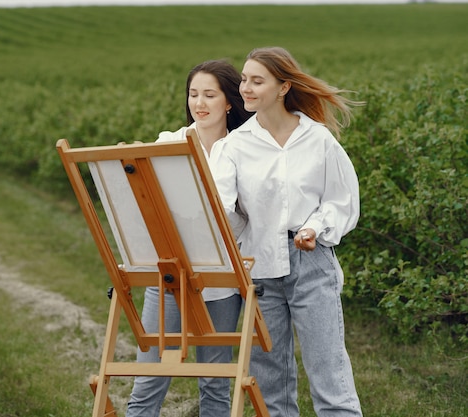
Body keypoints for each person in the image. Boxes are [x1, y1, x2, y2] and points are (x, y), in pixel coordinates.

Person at [211, 46, 364, 417]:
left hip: (311, 264)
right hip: (259, 268)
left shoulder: (318, 139)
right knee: (271, 385)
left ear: (282, 88)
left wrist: (313, 227)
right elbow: (223, 213)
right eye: (244, 79)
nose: (245, 88)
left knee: (329, 376)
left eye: (256, 81)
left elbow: (342, 201)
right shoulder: (233, 147)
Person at [125, 59, 252, 417]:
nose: (199, 102)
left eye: (209, 94)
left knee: (214, 380)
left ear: (229, 101)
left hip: (220, 278)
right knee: (150, 376)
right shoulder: (170, 142)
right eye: (193, 94)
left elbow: (240, 213)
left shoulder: (243, 149)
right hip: (169, 274)